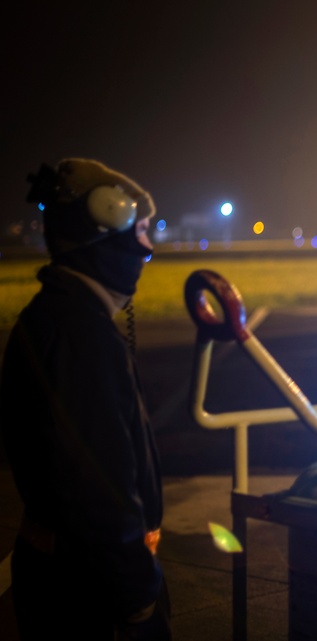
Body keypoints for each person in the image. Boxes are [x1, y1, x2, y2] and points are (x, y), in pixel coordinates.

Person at [0, 159, 171, 640]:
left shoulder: (54, 317)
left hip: (72, 578)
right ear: (104, 229)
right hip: (92, 595)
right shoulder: (80, 335)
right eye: (139, 231)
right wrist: (138, 597)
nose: (147, 248)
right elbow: (97, 484)